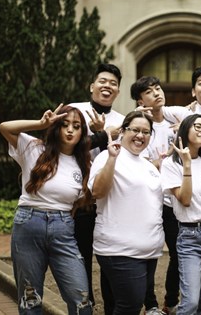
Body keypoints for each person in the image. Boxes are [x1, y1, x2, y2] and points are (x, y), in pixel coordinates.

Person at [0, 104, 93, 314]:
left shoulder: (85, 164)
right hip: (28, 224)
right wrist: (40, 123)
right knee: (30, 298)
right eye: (64, 124)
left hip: (63, 229)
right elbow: (5, 127)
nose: (70, 130)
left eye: (76, 126)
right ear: (56, 127)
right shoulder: (34, 148)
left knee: (82, 300)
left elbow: (82, 200)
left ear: (82, 132)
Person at [89, 111, 165, 315]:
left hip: (149, 250)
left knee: (121, 304)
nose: (141, 135)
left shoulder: (148, 166)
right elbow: (97, 191)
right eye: (135, 130)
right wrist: (112, 159)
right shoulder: (108, 156)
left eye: (146, 132)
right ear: (122, 131)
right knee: (130, 305)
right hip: (120, 250)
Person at [69, 63, 125, 310]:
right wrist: (101, 135)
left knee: (110, 258)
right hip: (79, 199)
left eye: (113, 83)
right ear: (92, 86)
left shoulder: (122, 121)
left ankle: (111, 308)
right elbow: (67, 147)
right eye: (103, 81)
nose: (107, 86)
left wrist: (105, 137)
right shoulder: (75, 112)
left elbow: (117, 159)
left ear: (118, 91)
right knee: (81, 257)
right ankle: (85, 306)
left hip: (108, 201)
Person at [160, 114, 201, 315]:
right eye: (199, 126)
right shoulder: (171, 164)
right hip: (190, 237)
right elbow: (185, 199)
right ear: (185, 129)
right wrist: (187, 165)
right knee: (190, 303)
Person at [130, 76, 179, 315]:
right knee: (148, 254)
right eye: (149, 92)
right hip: (148, 202)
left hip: (172, 201)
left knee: (179, 253)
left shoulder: (175, 120)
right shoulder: (139, 128)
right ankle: (149, 304)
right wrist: (164, 159)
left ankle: (171, 301)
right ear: (140, 101)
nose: (156, 93)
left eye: (158, 88)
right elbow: (138, 161)